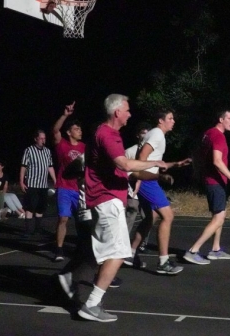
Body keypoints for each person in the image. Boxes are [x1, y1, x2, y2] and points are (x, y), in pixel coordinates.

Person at [76, 94, 169, 322]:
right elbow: (125, 164)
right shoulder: (108, 134)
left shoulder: (104, 133)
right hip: (107, 201)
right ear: (117, 112)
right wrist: (154, 162)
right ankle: (91, 304)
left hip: (105, 200)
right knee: (118, 253)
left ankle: (75, 286)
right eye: (127, 110)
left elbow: (124, 169)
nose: (129, 114)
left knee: (105, 253)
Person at [125, 109, 191, 274]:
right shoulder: (157, 134)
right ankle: (163, 262)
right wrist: (146, 176)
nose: (173, 121)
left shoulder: (156, 134)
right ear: (161, 121)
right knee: (168, 216)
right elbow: (142, 159)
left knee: (151, 217)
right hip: (147, 181)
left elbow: (155, 162)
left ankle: (129, 254)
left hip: (148, 179)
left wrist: (175, 164)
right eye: (170, 118)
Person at [183, 110, 230, 265]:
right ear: (221, 119)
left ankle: (215, 249)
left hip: (212, 180)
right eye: (229, 118)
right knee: (218, 218)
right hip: (215, 182)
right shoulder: (218, 136)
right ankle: (193, 251)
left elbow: (199, 155)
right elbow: (217, 161)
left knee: (219, 215)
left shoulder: (208, 133)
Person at [50, 101, 87, 262]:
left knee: (82, 223)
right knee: (63, 218)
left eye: (80, 129)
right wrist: (65, 114)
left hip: (80, 190)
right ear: (69, 132)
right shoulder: (62, 145)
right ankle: (59, 249)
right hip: (64, 187)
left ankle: (82, 249)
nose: (80, 131)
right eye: (76, 129)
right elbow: (55, 130)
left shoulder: (85, 147)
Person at [20, 130, 57, 237]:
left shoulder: (47, 151)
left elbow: (50, 167)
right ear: (35, 139)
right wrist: (21, 181)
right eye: (41, 138)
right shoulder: (29, 150)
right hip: (32, 183)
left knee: (41, 207)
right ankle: (28, 230)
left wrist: (55, 180)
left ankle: (38, 228)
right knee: (30, 207)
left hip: (43, 184)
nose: (43, 140)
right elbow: (23, 166)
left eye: (44, 138)